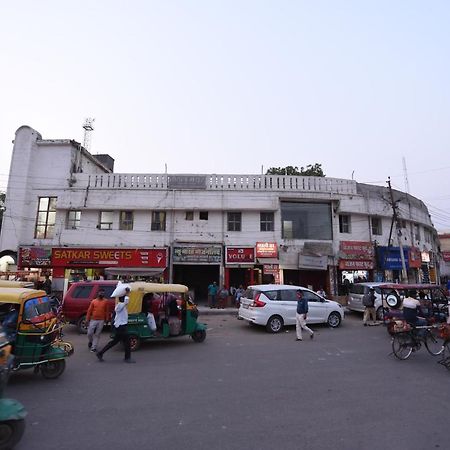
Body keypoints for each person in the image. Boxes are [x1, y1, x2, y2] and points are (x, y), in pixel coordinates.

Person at [96, 287, 135, 363]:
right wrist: (127, 294)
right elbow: (126, 301)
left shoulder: (121, 306)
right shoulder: (120, 306)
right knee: (127, 341)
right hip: (121, 327)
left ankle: (100, 353)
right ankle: (127, 358)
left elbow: (126, 302)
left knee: (114, 342)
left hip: (120, 326)